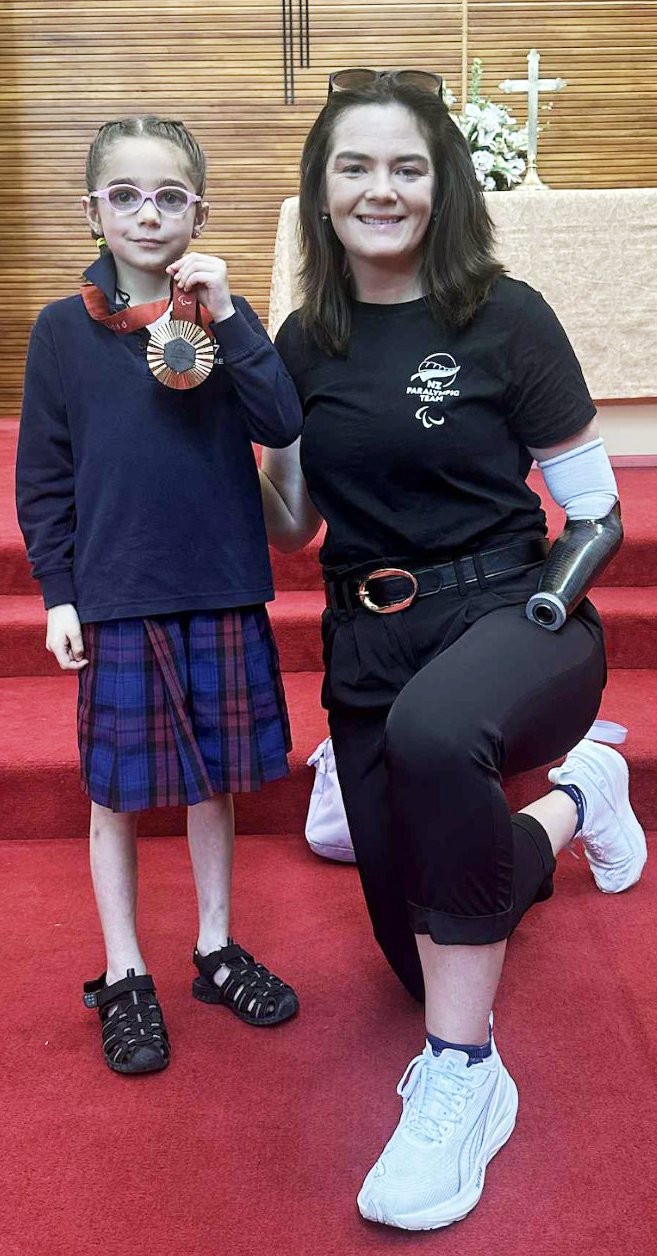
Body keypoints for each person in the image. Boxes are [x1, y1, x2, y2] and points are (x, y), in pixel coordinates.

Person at [260, 70, 647, 1230]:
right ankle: (581, 795)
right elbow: (297, 530)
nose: (383, 189)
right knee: (414, 934)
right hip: (369, 640)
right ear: (323, 193)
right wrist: (236, 432)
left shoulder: (504, 313)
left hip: (513, 617)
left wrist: (544, 611)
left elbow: (597, 511)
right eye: (357, 167)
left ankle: (466, 1078)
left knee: (439, 739)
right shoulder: (305, 335)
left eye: (408, 166)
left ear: (443, 184)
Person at [16, 116, 303, 1076]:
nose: (149, 212)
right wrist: (60, 593)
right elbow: (44, 476)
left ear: (200, 212)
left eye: (170, 196)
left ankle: (215, 950)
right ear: (91, 209)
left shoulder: (225, 314)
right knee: (117, 794)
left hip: (219, 581)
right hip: (119, 591)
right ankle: (125, 969)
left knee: (214, 785)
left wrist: (231, 319)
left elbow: (280, 419)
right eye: (127, 194)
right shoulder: (61, 330)